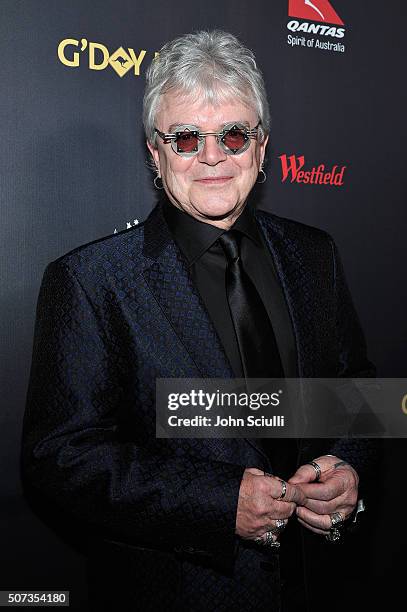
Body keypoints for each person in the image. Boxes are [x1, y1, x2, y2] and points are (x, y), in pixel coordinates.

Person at [21, 30, 376, 611]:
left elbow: (356, 388)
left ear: (261, 149)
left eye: (233, 135)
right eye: (186, 139)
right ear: (155, 155)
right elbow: (59, 456)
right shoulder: (90, 281)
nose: (212, 156)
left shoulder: (315, 255)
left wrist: (349, 465)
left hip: (321, 584)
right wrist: (213, 503)